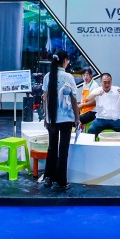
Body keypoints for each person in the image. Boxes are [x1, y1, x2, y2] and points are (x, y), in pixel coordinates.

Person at [41, 50, 79, 191]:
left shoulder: (47, 76)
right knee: (63, 150)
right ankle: (61, 181)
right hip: (66, 119)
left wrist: (45, 117)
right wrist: (77, 117)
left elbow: (45, 99)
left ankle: (48, 178)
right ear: (65, 61)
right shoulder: (68, 77)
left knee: (52, 148)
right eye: (67, 61)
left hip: (51, 118)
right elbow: (73, 99)